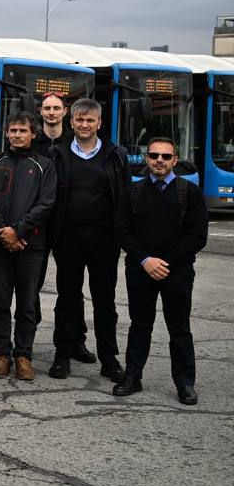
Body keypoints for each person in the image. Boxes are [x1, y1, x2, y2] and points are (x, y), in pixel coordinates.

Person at [114, 138, 208, 405]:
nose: (159, 161)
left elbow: (197, 235)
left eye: (166, 156)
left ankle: (185, 383)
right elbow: (121, 230)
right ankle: (132, 377)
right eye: (154, 155)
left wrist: (165, 262)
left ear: (175, 160)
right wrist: (145, 260)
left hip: (176, 272)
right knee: (139, 325)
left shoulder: (190, 192)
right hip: (140, 269)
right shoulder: (132, 192)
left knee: (179, 328)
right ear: (147, 159)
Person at [49, 98, 130, 382]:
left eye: (90, 120)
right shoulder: (56, 154)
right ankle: (63, 354)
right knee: (67, 299)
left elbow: (125, 197)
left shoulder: (116, 155)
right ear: (71, 122)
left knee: (105, 302)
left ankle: (109, 359)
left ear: (99, 123)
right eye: (80, 120)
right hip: (67, 239)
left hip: (105, 240)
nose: (84, 125)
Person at [0, 112, 57, 381]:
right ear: (6, 133)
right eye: (13, 130)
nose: (17, 135)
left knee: (27, 304)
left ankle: (23, 356)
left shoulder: (45, 165)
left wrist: (18, 231)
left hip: (30, 246)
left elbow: (46, 203)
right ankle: (1, 355)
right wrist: (5, 232)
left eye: (23, 130)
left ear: (33, 134)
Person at [32, 92, 69, 159]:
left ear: (65, 111)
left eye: (56, 108)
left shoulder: (73, 141)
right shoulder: (31, 140)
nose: (51, 113)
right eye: (47, 108)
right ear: (41, 111)